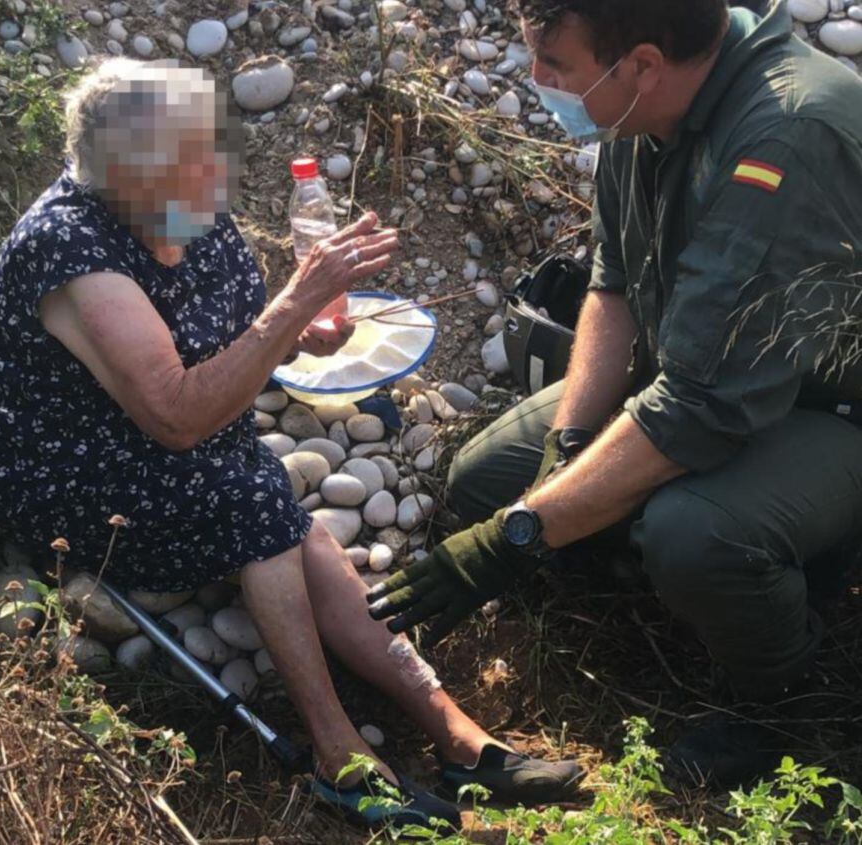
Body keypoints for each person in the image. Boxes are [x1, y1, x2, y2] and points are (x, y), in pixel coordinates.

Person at [0, 58, 581, 828]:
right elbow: (179, 414)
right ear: (121, 174)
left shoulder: (187, 211)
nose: (212, 172)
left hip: (159, 439)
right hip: (57, 459)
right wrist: (293, 302)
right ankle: (338, 753)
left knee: (290, 522)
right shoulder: (71, 249)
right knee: (258, 502)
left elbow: (240, 342)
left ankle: (453, 729)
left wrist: (307, 330)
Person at [369, 0, 862, 787]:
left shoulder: (785, 139)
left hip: (825, 407)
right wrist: (561, 459)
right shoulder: (644, 114)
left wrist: (520, 536)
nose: (536, 82)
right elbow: (615, 288)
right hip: (703, 372)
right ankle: (658, 558)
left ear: (641, 63)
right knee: (490, 476)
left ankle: (783, 702)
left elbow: (702, 406)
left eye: (556, 65)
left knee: (692, 532)